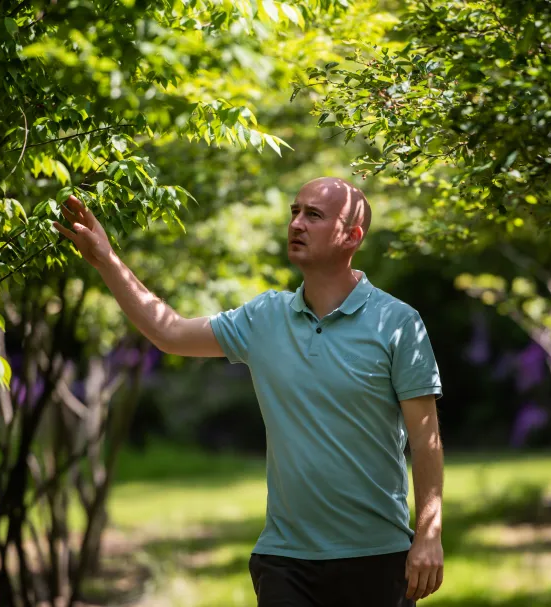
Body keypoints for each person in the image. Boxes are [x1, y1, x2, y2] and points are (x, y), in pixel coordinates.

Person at [53, 176, 444, 606]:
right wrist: (107, 260)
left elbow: (426, 442)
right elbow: (169, 332)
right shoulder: (265, 317)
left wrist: (428, 535)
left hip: (378, 556)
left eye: (313, 215)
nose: (296, 223)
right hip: (285, 558)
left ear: (352, 236)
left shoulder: (398, 322)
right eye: (294, 211)